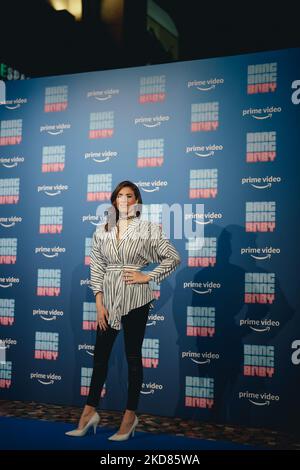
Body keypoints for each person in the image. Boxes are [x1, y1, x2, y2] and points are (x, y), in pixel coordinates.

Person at [66, 180, 181, 441]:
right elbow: (96, 268)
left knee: (132, 358)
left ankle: (129, 418)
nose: (125, 200)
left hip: (136, 300)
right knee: (100, 358)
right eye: (120, 196)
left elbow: (173, 257)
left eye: (130, 196)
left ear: (137, 201)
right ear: (113, 201)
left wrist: (148, 277)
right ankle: (88, 414)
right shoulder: (102, 230)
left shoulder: (149, 229)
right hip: (108, 299)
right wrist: (99, 302)